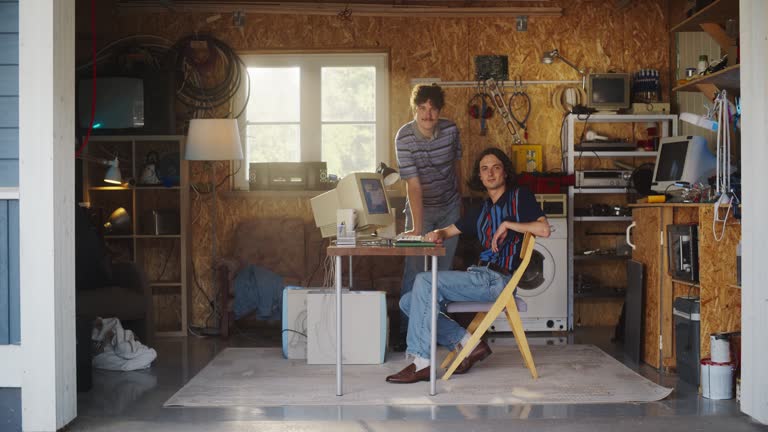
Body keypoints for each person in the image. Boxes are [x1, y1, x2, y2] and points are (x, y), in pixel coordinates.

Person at [386, 147, 551, 384]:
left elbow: (544, 229)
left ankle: (421, 362)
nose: (490, 173)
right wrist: (436, 233)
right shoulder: (481, 210)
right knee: (408, 301)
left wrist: (508, 224)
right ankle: (468, 343)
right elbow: (448, 231)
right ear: (480, 177)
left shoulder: (519, 197)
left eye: (496, 168)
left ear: (505, 173)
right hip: (480, 275)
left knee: (424, 280)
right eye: (485, 169)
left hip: (498, 280)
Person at [394, 84, 462, 350]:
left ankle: (437, 332)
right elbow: (413, 185)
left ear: (439, 111)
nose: (428, 114)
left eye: (433, 109)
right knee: (414, 273)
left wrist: (461, 200)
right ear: (415, 110)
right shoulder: (404, 138)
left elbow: (457, 165)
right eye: (422, 108)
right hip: (420, 209)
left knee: (441, 276)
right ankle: (405, 332)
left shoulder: (451, 131)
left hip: (450, 207)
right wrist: (418, 231)